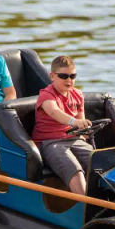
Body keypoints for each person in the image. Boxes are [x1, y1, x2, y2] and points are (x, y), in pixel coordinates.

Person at [31, 56, 93, 195]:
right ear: (52, 76)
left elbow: (81, 122)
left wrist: (84, 131)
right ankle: (85, 209)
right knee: (75, 170)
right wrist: (74, 122)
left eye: (73, 76)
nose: (69, 80)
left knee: (100, 161)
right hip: (50, 143)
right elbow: (54, 111)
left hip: (74, 140)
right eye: (64, 76)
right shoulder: (46, 95)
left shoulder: (77, 95)